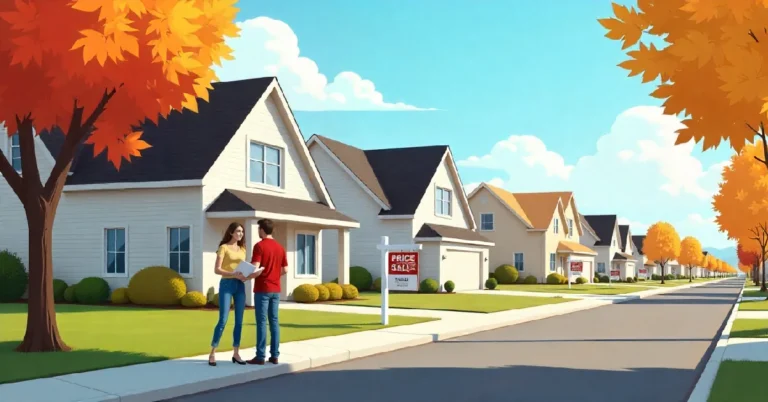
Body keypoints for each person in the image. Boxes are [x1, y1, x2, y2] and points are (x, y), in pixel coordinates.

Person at [246, 218, 288, 365]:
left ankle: (260, 356)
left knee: (262, 322)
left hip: (262, 289)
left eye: (258, 229)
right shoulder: (280, 247)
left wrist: (245, 276)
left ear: (262, 230)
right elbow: (285, 269)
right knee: (274, 322)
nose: (258, 231)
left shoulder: (259, 246)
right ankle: (275, 355)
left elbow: (255, 267)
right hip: (276, 289)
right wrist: (274, 275)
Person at [208, 222, 248, 367]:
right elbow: (217, 269)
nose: (240, 234)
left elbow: (242, 268)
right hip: (227, 284)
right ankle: (212, 352)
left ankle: (236, 353)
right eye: (238, 231)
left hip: (240, 285)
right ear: (231, 232)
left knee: (239, 321)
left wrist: (246, 275)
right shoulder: (223, 248)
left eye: (242, 232)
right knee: (223, 320)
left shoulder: (243, 249)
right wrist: (233, 274)